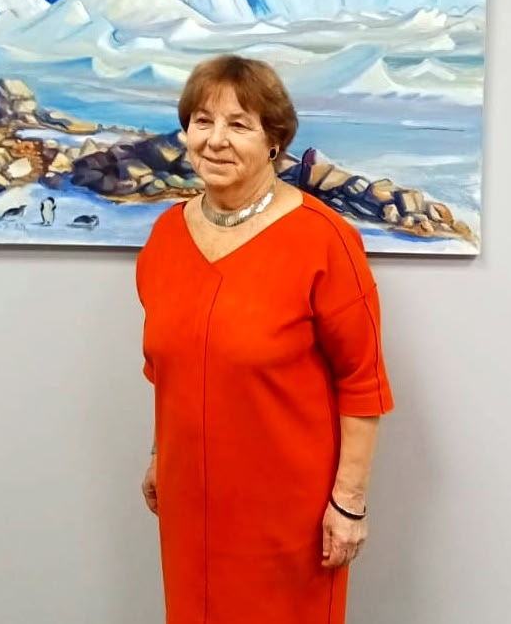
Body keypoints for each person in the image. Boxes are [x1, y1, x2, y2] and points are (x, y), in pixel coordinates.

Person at [137, 55, 393, 624]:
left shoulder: (324, 240)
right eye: (202, 121)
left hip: (290, 515)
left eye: (239, 124)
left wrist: (348, 503)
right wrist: (159, 455)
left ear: (274, 141)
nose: (215, 140)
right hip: (190, 500)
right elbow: (168, 368)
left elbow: (363, 384)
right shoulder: (166, 235)